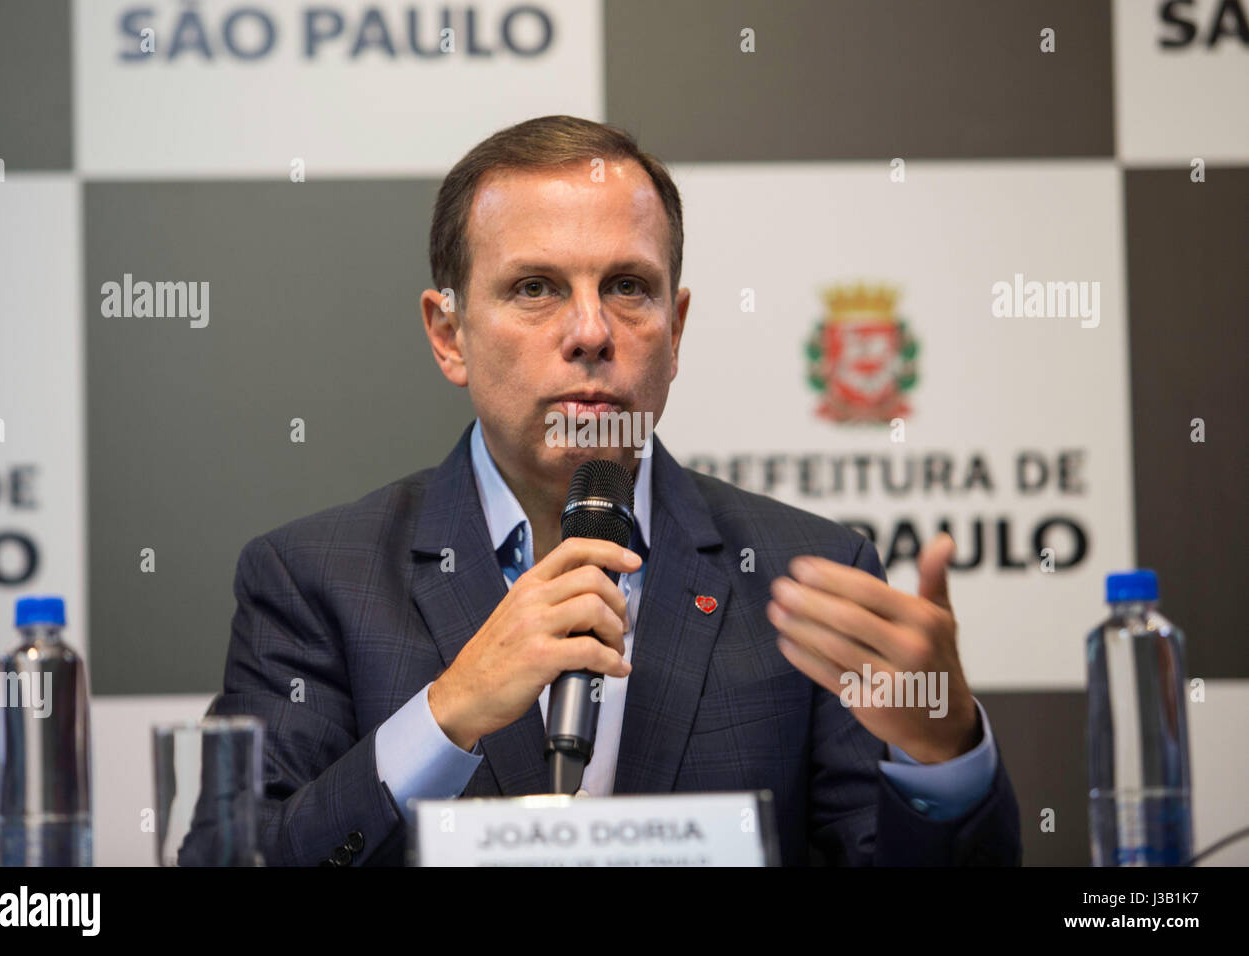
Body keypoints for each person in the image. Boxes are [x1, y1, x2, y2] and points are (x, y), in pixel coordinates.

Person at [210, 115, 1021, 867]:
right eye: (536, 288)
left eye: (629, 287)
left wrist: (943, 756)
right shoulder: (312, 578)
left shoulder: (806, 573)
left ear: (676, 331)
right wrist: (447, 712)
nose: (592, 332)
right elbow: (239, 855)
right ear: (448, 334)